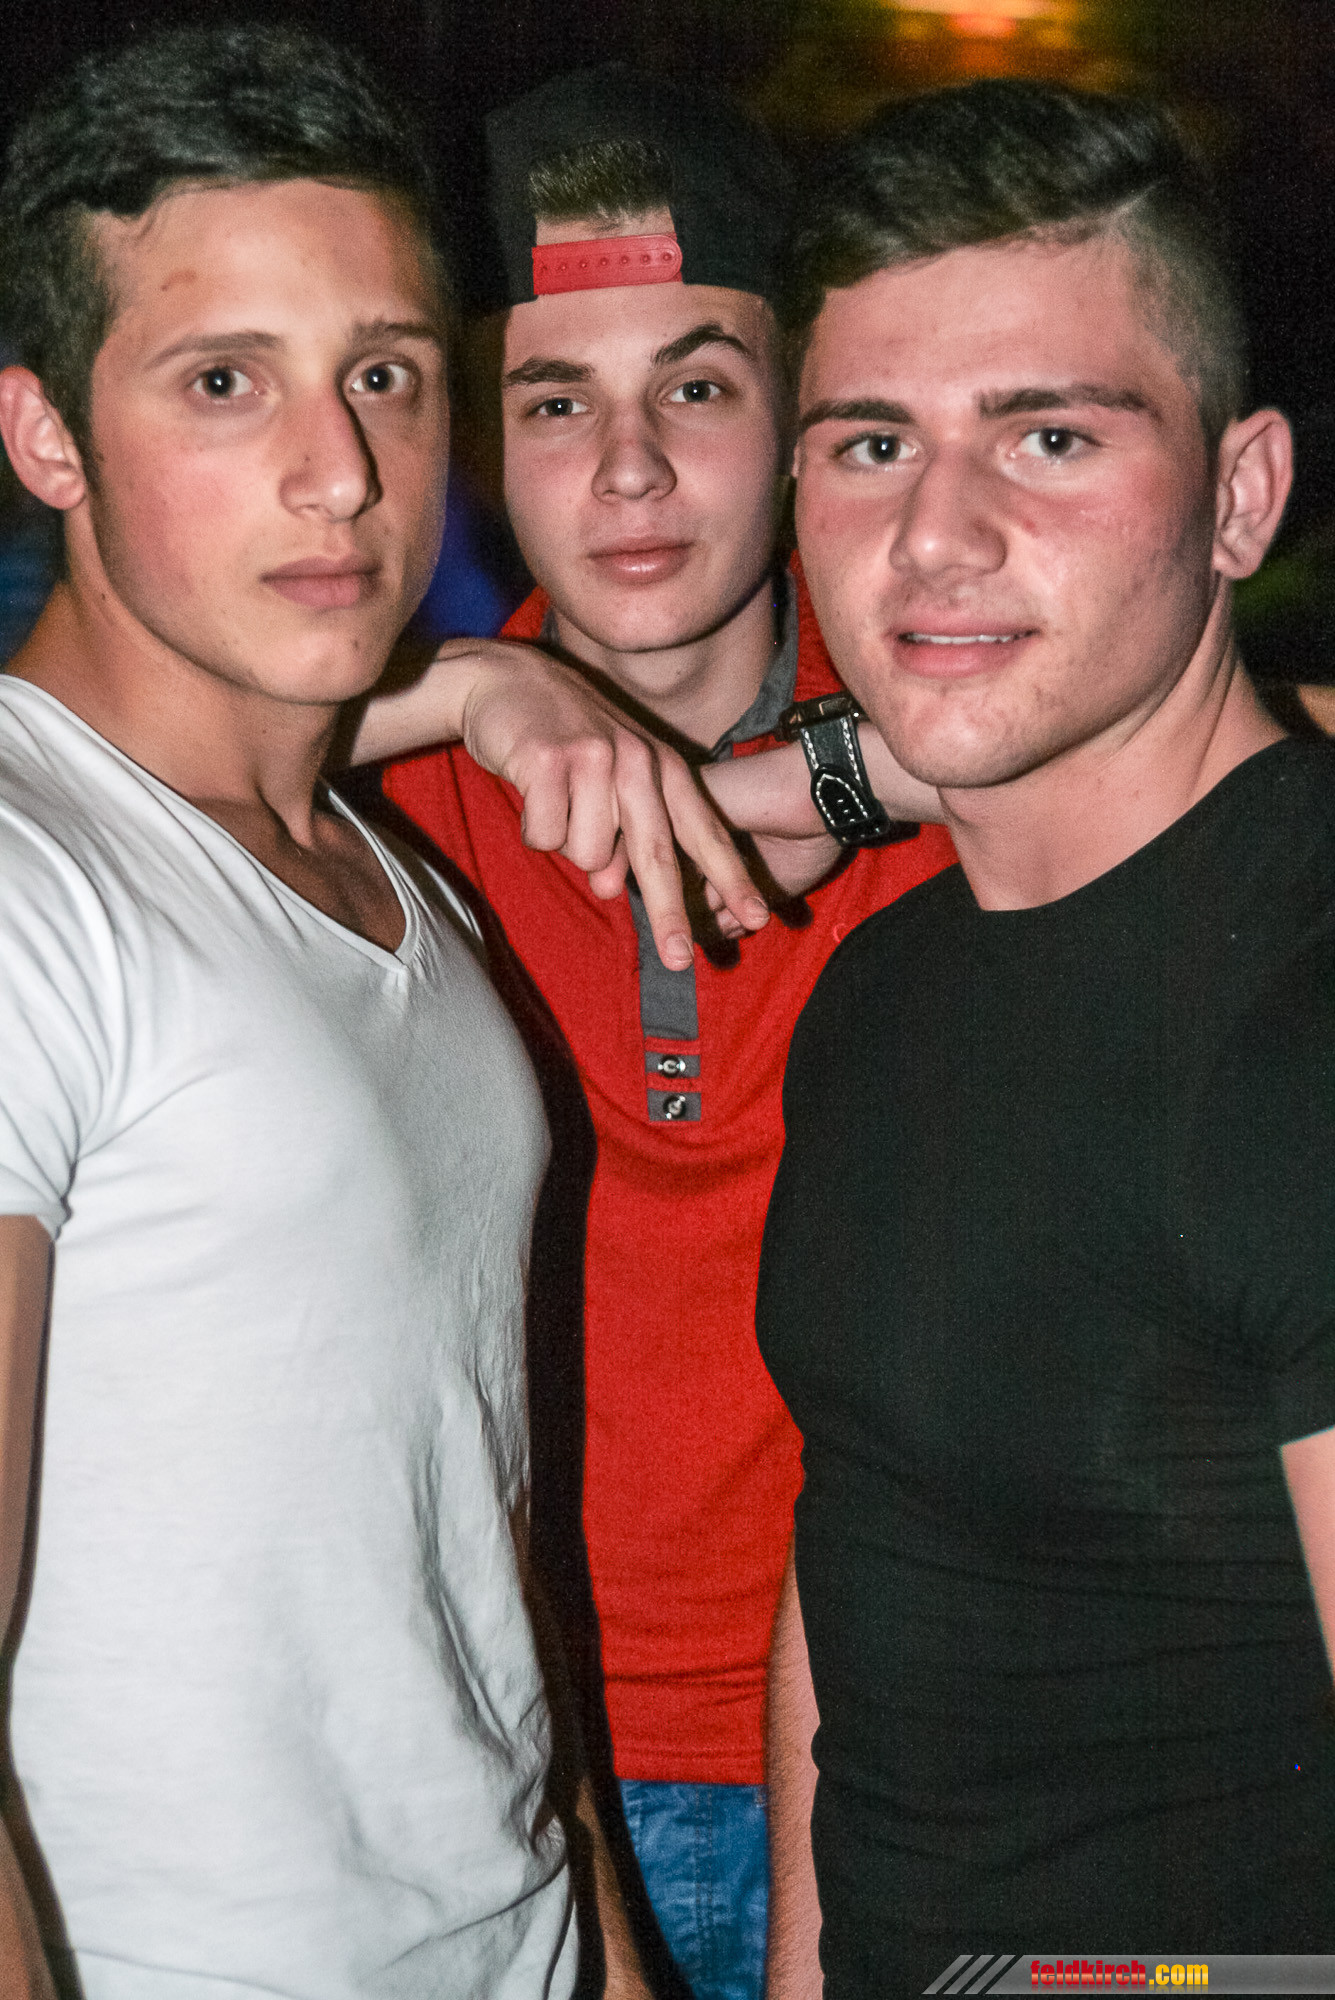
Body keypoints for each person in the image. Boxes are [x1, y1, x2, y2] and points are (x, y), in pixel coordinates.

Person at [0, 25, 779, 1999]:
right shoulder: (28, 891)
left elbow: (467, 1516)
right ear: (45, 435)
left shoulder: (382, 875)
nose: (338, 468)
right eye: (222, 381)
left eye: (382, 373)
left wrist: (595, 1922)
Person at [356, 66, 954, 2000]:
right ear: (479, 445)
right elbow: (90, 758)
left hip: (904, 1752)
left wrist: (854, 774)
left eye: (695, 387)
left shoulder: (981, 734)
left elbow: (1235, 730)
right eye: (554, 402)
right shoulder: (374, 799)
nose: (626, 472)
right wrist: (470, 688)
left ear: (802, 412)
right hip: (505, 1778)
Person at [755, 80, 1335, 1997]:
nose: (936, 535)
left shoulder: (1304, 1020)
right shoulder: (884, 987)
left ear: (1240, 496)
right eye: (870, 445)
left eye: (1051, 437)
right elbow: (866, 1554)